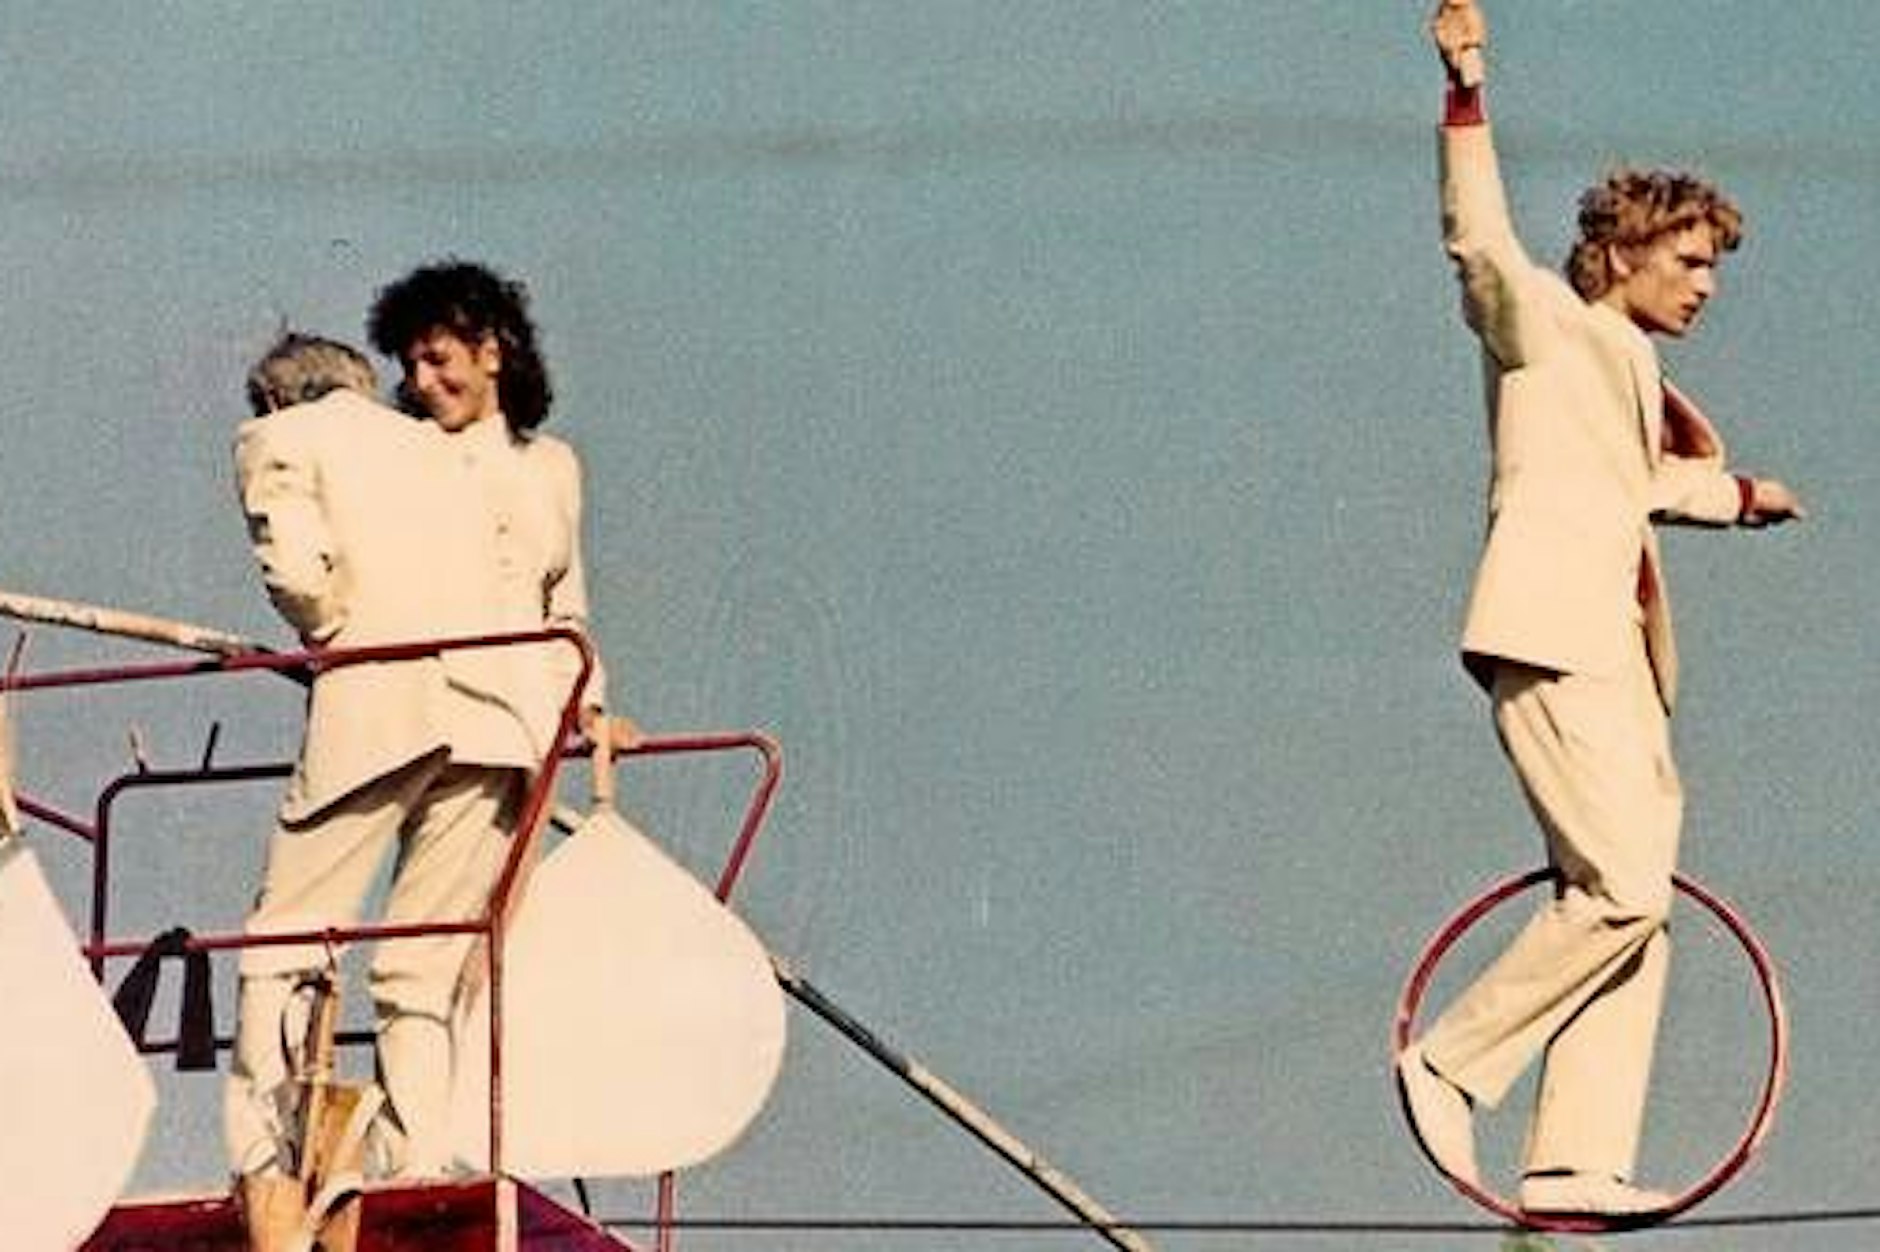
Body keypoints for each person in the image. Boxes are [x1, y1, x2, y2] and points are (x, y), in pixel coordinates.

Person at [1396, 0, 1805, 1221]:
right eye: (1686, 261)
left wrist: (1739, 495)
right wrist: (1465, 88)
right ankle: (1453, 1058)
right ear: (1620, 250)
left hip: (1621, 659)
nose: (1704, 287)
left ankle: (1571, 1156)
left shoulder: (1624, 368)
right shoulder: (1544, 329)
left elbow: (1632, 484)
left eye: (1711, 269)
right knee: (1620, 889)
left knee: (1642, 911)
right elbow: (1476, 245)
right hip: (1548, 635)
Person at [224, 331, 597, 1229]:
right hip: (495, 722)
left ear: (277, 401)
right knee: (422, 962)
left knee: (288, 936)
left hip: (380, 707)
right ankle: (416, 1151)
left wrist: (335, 635)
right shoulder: (448, 451)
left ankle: (266, 1156)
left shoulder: (284, 436)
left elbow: (298, 573)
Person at [366, 260, 609, 746]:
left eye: (437, 360)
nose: (422, 382)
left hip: (529, 727)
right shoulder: (404, 455)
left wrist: (590, 710)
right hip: (438, 728)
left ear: (491, 356)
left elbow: (563, 608)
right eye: (410, 366)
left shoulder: (552, 464)